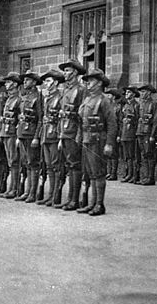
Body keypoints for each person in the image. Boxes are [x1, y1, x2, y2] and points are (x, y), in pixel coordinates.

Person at [76, 69, 117, 216]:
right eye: (87, 81)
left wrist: (109, 143)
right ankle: (92, 203)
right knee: (90, 173)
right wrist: (79, 136)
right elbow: (81, 120)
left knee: (98, 173)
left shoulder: (104, 100)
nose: (88, 83)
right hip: (87, 139)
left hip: (98, 140)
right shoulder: (87, 99)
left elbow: (112, 123)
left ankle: (100, 204)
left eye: (91, 80)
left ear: (99, 83)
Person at [55, 59, 87, 210]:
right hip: (65, 131)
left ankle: (74, 199)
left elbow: (83, 115)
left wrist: (79, 135)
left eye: (68, 71)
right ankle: (70, 198)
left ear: (75, 72)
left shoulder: (80, 90)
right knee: (69, 165)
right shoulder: (66, 90)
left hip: (74, 132)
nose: (65, 73)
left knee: (75, 165)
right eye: (65, 70)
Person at [15, 70, 43, 203]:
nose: (24, 82)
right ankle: (27, 191)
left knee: (33, 163)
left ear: (34, 82)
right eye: (24, 80)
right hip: (22, 133)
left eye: (28, 80)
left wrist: (36, 137)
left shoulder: (38, 97)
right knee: (26, 162)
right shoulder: (24, 97)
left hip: (32, 134)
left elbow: (40, 119)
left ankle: (33, 193)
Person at [38, 70, 65, 205]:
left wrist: (60, 137)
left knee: (56, 165)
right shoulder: (46, 97)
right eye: (45, 81)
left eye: (48, 81)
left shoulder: (60, 97)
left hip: (54, 134)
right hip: (46, 134)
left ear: (55, 82)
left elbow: (61, 119)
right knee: (48, 166)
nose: (46, 83)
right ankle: (49, 195)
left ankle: (56, 196)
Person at [0, 72, 21, 198]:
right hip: (6, 132)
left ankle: (15, 189)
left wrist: (17, 136)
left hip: (13, 133)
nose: (6, 84)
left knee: (14, 161)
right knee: (10, 161)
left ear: (15, 84)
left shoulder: (18, 99)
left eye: (8, 82)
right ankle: (10, 188)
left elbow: (19, 119)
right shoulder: (9, 99)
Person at [137, 84, 157, 186]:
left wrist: (152, 135)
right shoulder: (141, 104)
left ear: (149, 93)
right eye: (141, 92)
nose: (142, 94)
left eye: (144, 92)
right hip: (140, 132)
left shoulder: (153, 104)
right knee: (143, 155)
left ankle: (150, 177)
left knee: (149, 154)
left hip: (148, 132)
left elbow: (155, 121)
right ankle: (145, 176)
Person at [119, 86, 140, 184]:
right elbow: (120, 120)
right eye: (126, 92)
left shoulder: (136, 105)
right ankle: (127, 174)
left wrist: (131, 121)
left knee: (132, 155)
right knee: (126, 156)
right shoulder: (125, 106)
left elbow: (138, 120)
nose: (127, 94)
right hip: (124, 133)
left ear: (134, 94)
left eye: (129, 92)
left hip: (132, 133)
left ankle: (133, 175)